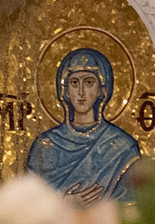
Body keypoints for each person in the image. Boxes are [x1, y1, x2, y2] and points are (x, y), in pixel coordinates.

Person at [24, 48, 140, 206]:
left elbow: (132, 206)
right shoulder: (44, 146)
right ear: (65, 91)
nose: (81, 92)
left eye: (89, 82)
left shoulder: (122, 147)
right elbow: (30, 205)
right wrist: (65, 203)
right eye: (74, 83)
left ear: (101, 90)